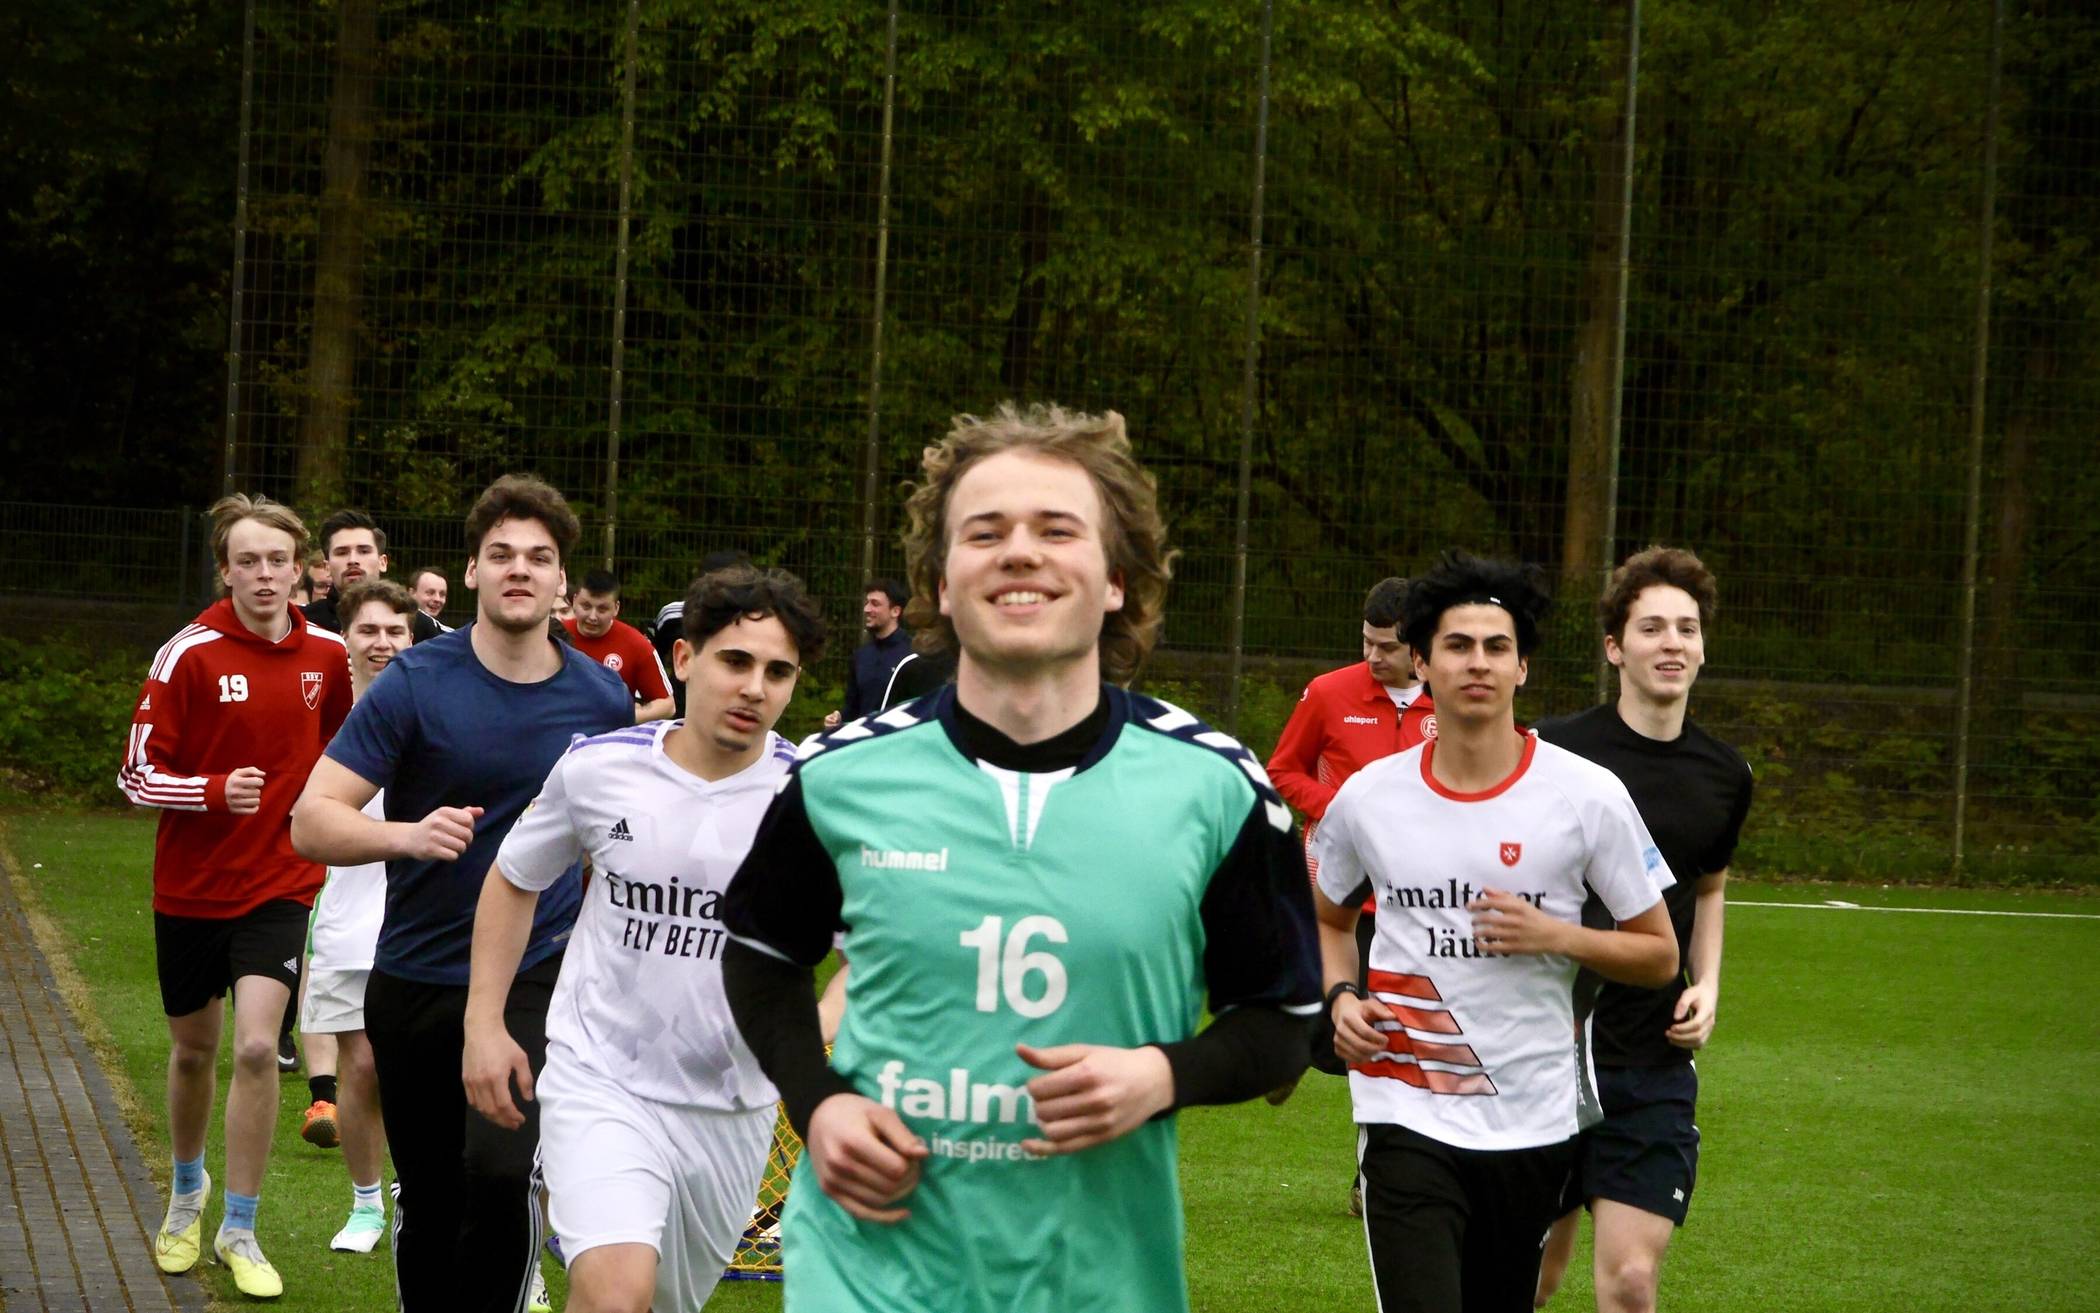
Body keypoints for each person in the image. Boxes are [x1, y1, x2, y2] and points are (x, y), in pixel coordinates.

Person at [720, 402, 1322, 1313]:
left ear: (1117, 578)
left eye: (1056, 528)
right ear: (944, 581)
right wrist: (821, 1099)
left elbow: (1282, 1020)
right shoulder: (842, 776)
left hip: (1099, 1279)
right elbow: (762, 954)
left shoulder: (1216, 787)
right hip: (871, 1268)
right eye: (986, 531)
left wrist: (1163, 1074)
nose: (1020, 551)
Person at [289, 475, 631, 1313]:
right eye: (502, 554)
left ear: (561, 581)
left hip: (534, 979)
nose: (521, 570)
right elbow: (311, 820)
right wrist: (407, 834)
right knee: (436, 1195)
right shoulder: (416, 682)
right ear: (473, 571)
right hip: (415, 979)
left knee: (503, 1174)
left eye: (540, 558)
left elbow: (616, 837)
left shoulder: (601, 696)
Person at [1311, 551, 1679, 1313]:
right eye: (1457, 644)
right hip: (1404, 1107)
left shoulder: (1587, 795)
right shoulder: (1368, 798)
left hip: (1532, 1119)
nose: (1477, 661)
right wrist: (1342, 994)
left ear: (1522, 669)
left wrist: (1558, 934)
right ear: (1421, 661)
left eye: (1496, 646)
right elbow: (1327, 916)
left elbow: (1658, 954)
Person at [464, 564, 826, 1313]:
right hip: (602, 1076)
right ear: (686, 660)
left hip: (733, 1104)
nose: (755, 686)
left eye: (778, 670)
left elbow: (875, 942)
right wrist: (483, 1021)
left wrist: (812, 1042)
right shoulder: (598, 768)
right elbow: (513, 876)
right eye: (735, 660)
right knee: (612, 1294)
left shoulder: (818, 799)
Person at [119, 493, 352, 1299]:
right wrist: (214, 791)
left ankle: (240, 1227)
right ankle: (189, 1193)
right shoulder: (185, 654)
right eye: (247, 560)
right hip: (189, 888)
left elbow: (347, 756)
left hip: (281, 884)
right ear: (225, 569)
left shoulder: (329, 655)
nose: (263, 574)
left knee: (257, 1046)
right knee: (194, 1050)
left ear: (301, 570)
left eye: (277, 560)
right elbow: (135, 778)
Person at [1530, 547, 1753, 1313]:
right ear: (1614, 646)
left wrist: (1710, 983)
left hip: (1654, 1058)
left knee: (1629, 1282)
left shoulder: (1727, 773)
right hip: (1544, 1052)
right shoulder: (1552, 753)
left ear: (1703, 645)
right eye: (1652, 626)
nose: (1672, 643)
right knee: (1534, 1275)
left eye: (1686, 628)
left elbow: (1710, 886)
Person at [1263, 576, 1435, 1205]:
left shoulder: (1456, 698)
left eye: (1386, 647)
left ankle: (1372, 1174)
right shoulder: (1329, 693)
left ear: (1419, 648)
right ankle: (1289, 1056)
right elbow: (1283, 769)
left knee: (1388, 1031)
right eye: (1365, 642)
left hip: (1411, 898)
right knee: (1322, 1017)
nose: (1372, 657)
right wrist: (1339, 813)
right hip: (1332, 896)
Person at [298, 577, 419, 1254]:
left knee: (430, 1071)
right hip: (347, 918)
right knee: (363, 1066)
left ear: (412, 636)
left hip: (422, 921)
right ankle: (368, 1204)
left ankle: (423, 1190)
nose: (382, 642)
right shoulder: (329, 716)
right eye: (368, 630)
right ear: (346, 637)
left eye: (394, 630)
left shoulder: (439, 710)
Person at [301, 509, 442, 643]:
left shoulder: (421, 626)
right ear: (327, 567)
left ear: (383, 562)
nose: (353, 560)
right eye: (342, 552)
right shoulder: (303, 622)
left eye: (363, 551)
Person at [564, 568, 676, 723]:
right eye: (586, 606)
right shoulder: (553, 635)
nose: (592, 616)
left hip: (609, 742)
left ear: (616, 608)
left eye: (602, 609)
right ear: (574, 601)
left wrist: (625, 719)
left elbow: (668, 705)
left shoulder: (637, 645)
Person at [820, 578, 913, 729]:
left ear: (895, 611)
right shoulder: (861, 656)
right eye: (867, 603)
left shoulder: (912, 656)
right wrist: (838, 720)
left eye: (875, 604)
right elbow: (853, 708)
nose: (867, 609)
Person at [410, 567, 454, 632]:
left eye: (442, 594)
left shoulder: (450, 636)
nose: (437, 599)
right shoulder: (394, 627)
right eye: (430, 593)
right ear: (412, 593)